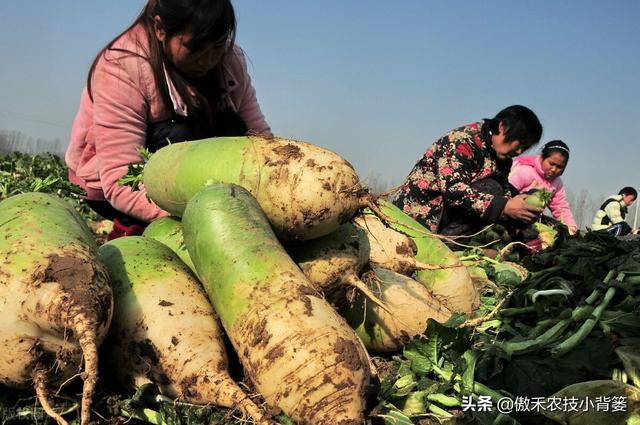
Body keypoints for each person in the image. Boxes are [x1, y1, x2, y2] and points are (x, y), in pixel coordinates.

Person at [65, 0, 271, 239]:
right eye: (194, 48)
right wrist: (201, 217)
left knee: (237, 132)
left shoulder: (229, 60)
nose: (207, 60)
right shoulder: (121, 67)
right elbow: (121, 179)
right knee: (177, 136)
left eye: (216, 47)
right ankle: (130, 231)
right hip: (113, 188)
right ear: (160, 29)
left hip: (192, 184)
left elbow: (260, 138)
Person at [393, 105, 544, 236]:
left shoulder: (503, 160)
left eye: (524, 148)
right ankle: (447, 244)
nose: (519, 151)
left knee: (506, 198)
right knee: (491, 188)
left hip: (450, 216)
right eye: (519, 143)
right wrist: (504, 206)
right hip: (419, 216)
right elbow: (454, 192)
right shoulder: (461, 141)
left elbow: (505, 193)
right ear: (502, 127)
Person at [508, 140, 578, 234]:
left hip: (531, 220)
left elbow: (560, 207)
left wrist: (571, 228)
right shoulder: (525, 171)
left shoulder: (557, 183)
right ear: (541, 158)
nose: (554, 169)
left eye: (559, 167)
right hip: (511, 215)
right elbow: (506, 190)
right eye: (551, 164)